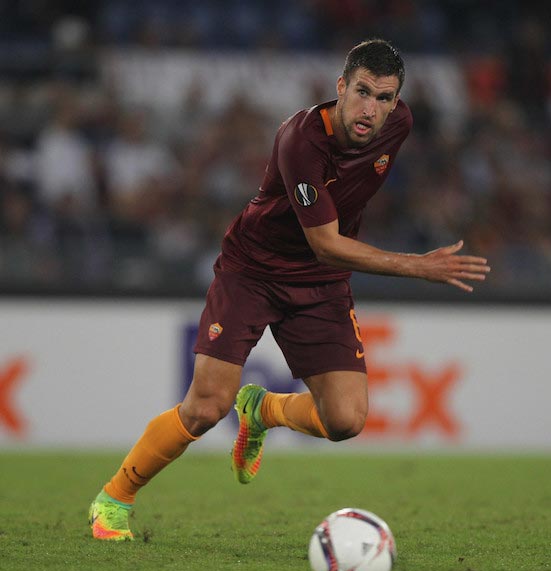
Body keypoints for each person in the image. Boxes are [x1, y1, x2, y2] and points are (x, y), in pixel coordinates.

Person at [89, 39, 490, 541]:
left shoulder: (400, 125)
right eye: (362, 91)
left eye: (385, 98)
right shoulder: (300, 140)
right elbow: (325, 243)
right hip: (253, 271)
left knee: (346, 419)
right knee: (207, 406)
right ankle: (115, 497)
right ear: (340, 87)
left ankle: (262, 410)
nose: (372, 108)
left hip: (319, 285)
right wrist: (416, 266)